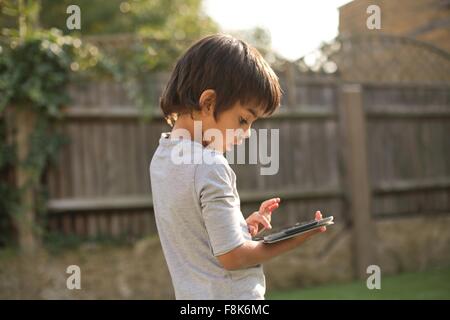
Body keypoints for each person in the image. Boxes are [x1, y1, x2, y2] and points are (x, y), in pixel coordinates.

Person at [149, 34, 327, 300]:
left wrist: (240, 228)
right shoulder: (211, 166)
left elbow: (195, 234)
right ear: (208, 103)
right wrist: (293, 240)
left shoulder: (161, 158)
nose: (246, 133)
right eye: (244, 119)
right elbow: (233, 258)